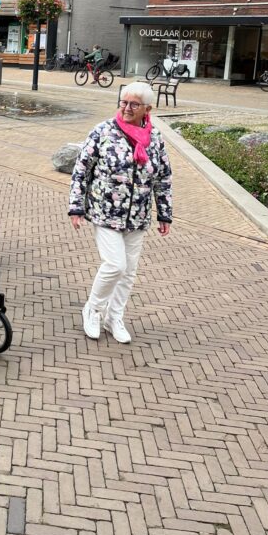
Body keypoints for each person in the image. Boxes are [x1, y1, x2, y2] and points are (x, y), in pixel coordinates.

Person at [68, 81, 172, 344]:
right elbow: (81, 171)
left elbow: (163, 177)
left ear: (147, 109)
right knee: (115, 265)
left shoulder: (155, 138)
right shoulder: (103, 131)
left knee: (128, 272)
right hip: (105, 212)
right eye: (124, 102)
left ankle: (114, 317)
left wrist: (164, 213)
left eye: (134, 104)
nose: (126, 108)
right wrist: (76, 206)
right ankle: (93, 310)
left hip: (138, 216)